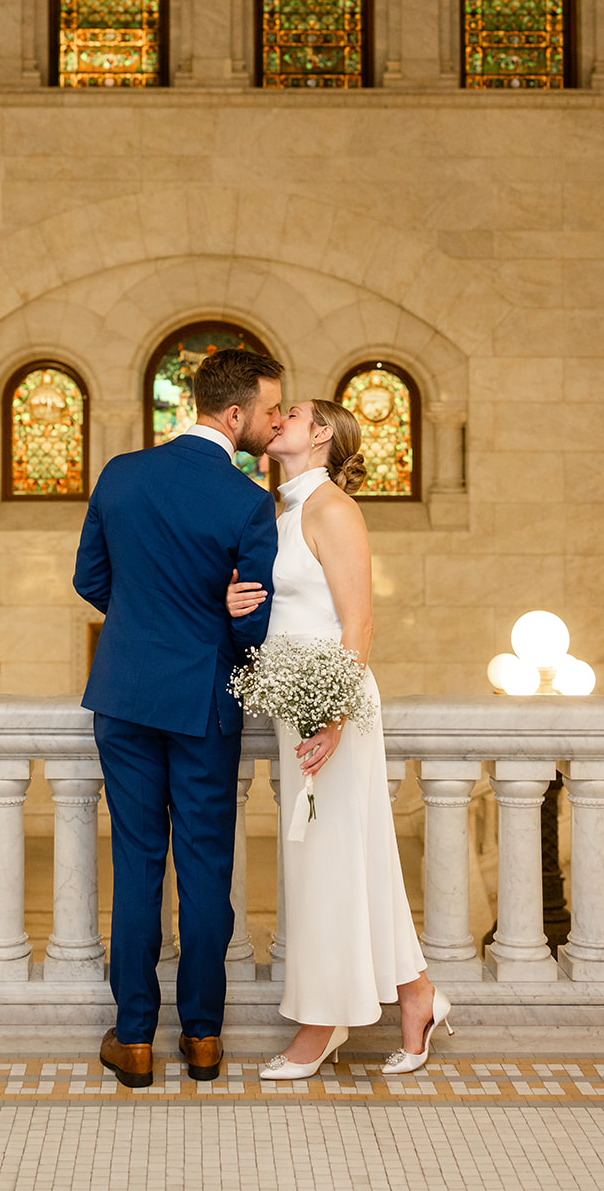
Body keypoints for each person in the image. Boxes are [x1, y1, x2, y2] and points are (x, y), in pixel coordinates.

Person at [73, 348, 283, 1089]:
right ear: (234, 415)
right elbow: (251, 629)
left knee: (135, 868)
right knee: (203, 873)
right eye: (268, 410)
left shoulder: (120, 474)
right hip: (201, 701)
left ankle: (133, 1040)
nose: (274, 422)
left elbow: (88, 578)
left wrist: (140, 628)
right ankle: (201, 1039)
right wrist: (209, 630)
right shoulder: (247, 501)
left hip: (123, 696)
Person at [227, 399, 451, 1079]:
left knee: (329, 864)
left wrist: (331, 717)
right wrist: (237, 603)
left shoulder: (331, 508)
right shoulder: (285, 510)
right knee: (349, 860)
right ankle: (416, 996)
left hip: (333, 705)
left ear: (320, 433)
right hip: (301, 699)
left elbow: (357, 623)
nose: (274, 420)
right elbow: (292, 605)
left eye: (289, 413)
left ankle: (322, 1024)